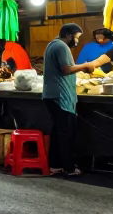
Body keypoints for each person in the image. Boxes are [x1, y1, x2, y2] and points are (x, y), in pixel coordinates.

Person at [42, 23, 102, 176]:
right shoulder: (61, 46)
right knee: (65, 134)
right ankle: (69, 168)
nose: (77, 41)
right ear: (69, 35)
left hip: (51, 95)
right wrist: (85, 65)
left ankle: (55, 165)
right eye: (76, 37)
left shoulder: (52, 45)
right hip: (60, 96)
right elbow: (66, 69)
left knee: (57, 133)